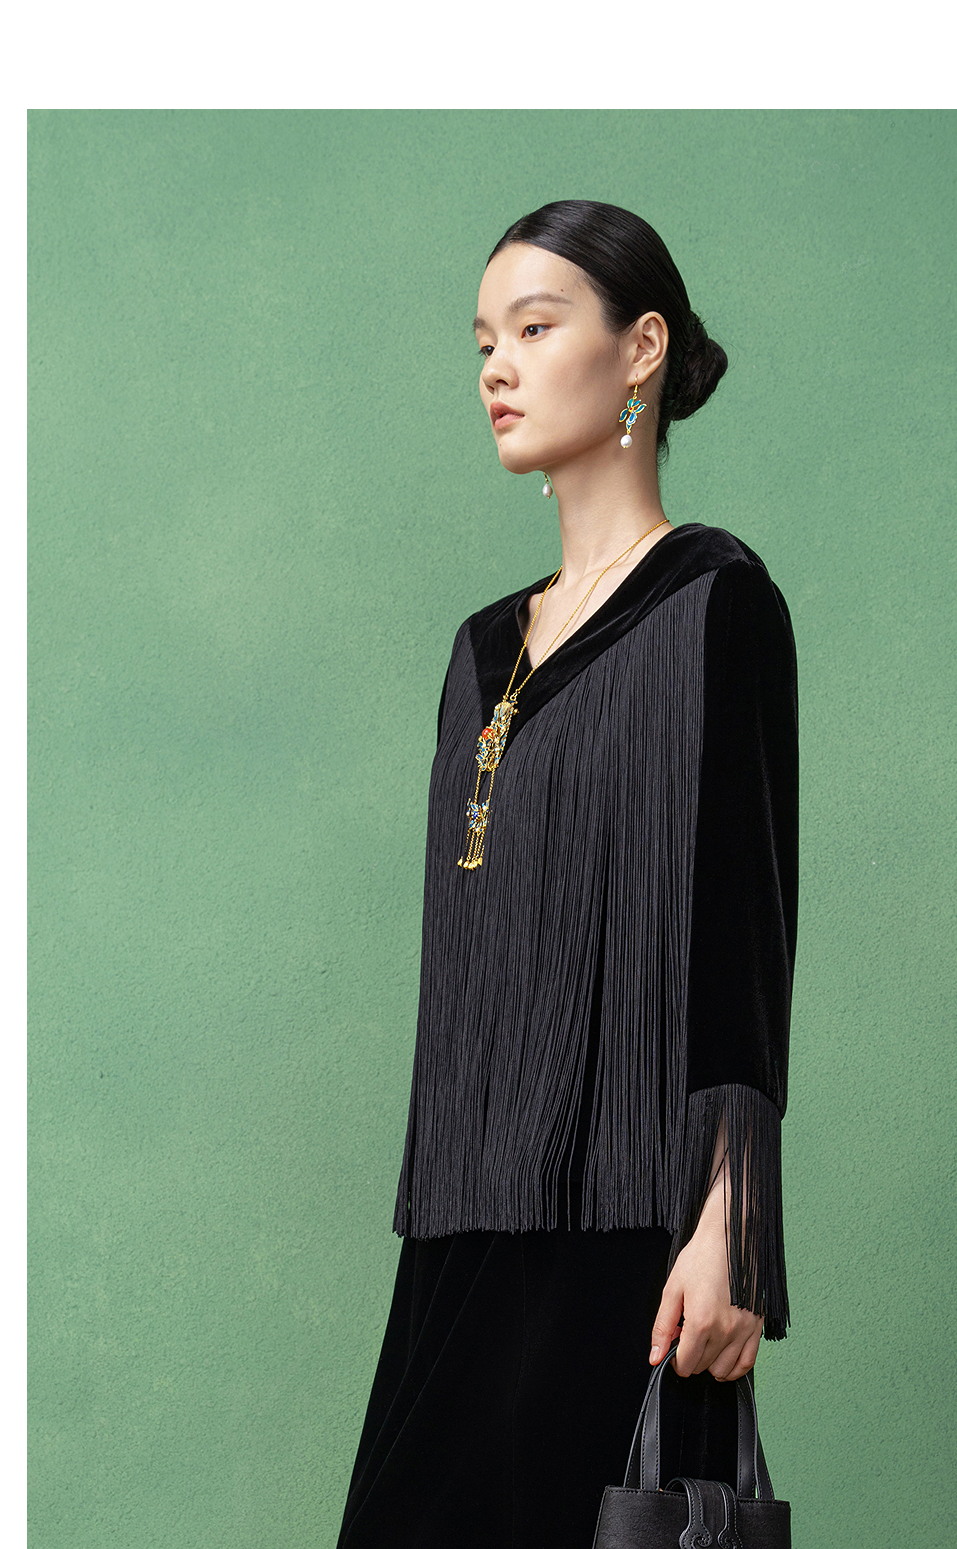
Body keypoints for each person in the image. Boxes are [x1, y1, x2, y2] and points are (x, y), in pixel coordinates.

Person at [334, 199, 799, 1548]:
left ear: (640, 347)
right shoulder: (481, 649)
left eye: (535, 329)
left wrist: (733, 1229)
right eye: (485, 339)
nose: (498, 365)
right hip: (464, 1214)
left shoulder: (717, 601)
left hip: (629, 1226)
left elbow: (744, 930)